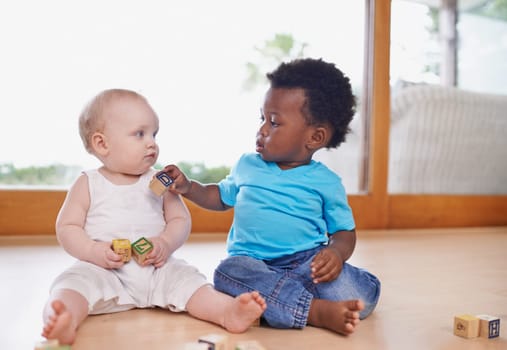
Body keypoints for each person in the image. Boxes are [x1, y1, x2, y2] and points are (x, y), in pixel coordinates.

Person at [163, 58, 381, 336]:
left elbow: (344, 233)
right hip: (253, 264)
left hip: (305, 263)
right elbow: (219, 197)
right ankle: (314, 311)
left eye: (274, 122)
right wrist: (189, 186)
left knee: (363, 296)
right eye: (262, 118)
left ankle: (283, 302)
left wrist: (335, 254)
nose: (262, 130)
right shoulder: (247, 165)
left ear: (314, 138)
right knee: (228, 273)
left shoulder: (326, 182)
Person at [41, 89, 266, 345]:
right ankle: (63, 318)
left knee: (189, 280)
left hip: (157, 269)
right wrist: (93, 251)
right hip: (103, 270)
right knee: (71, 284)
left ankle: (227, 312)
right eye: (140, 134)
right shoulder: (88, 183)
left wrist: (165, 244)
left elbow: (179, 220)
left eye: (154, 134)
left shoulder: (159, 181)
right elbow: (67, 227)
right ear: (102, 143)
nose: (152, 143)